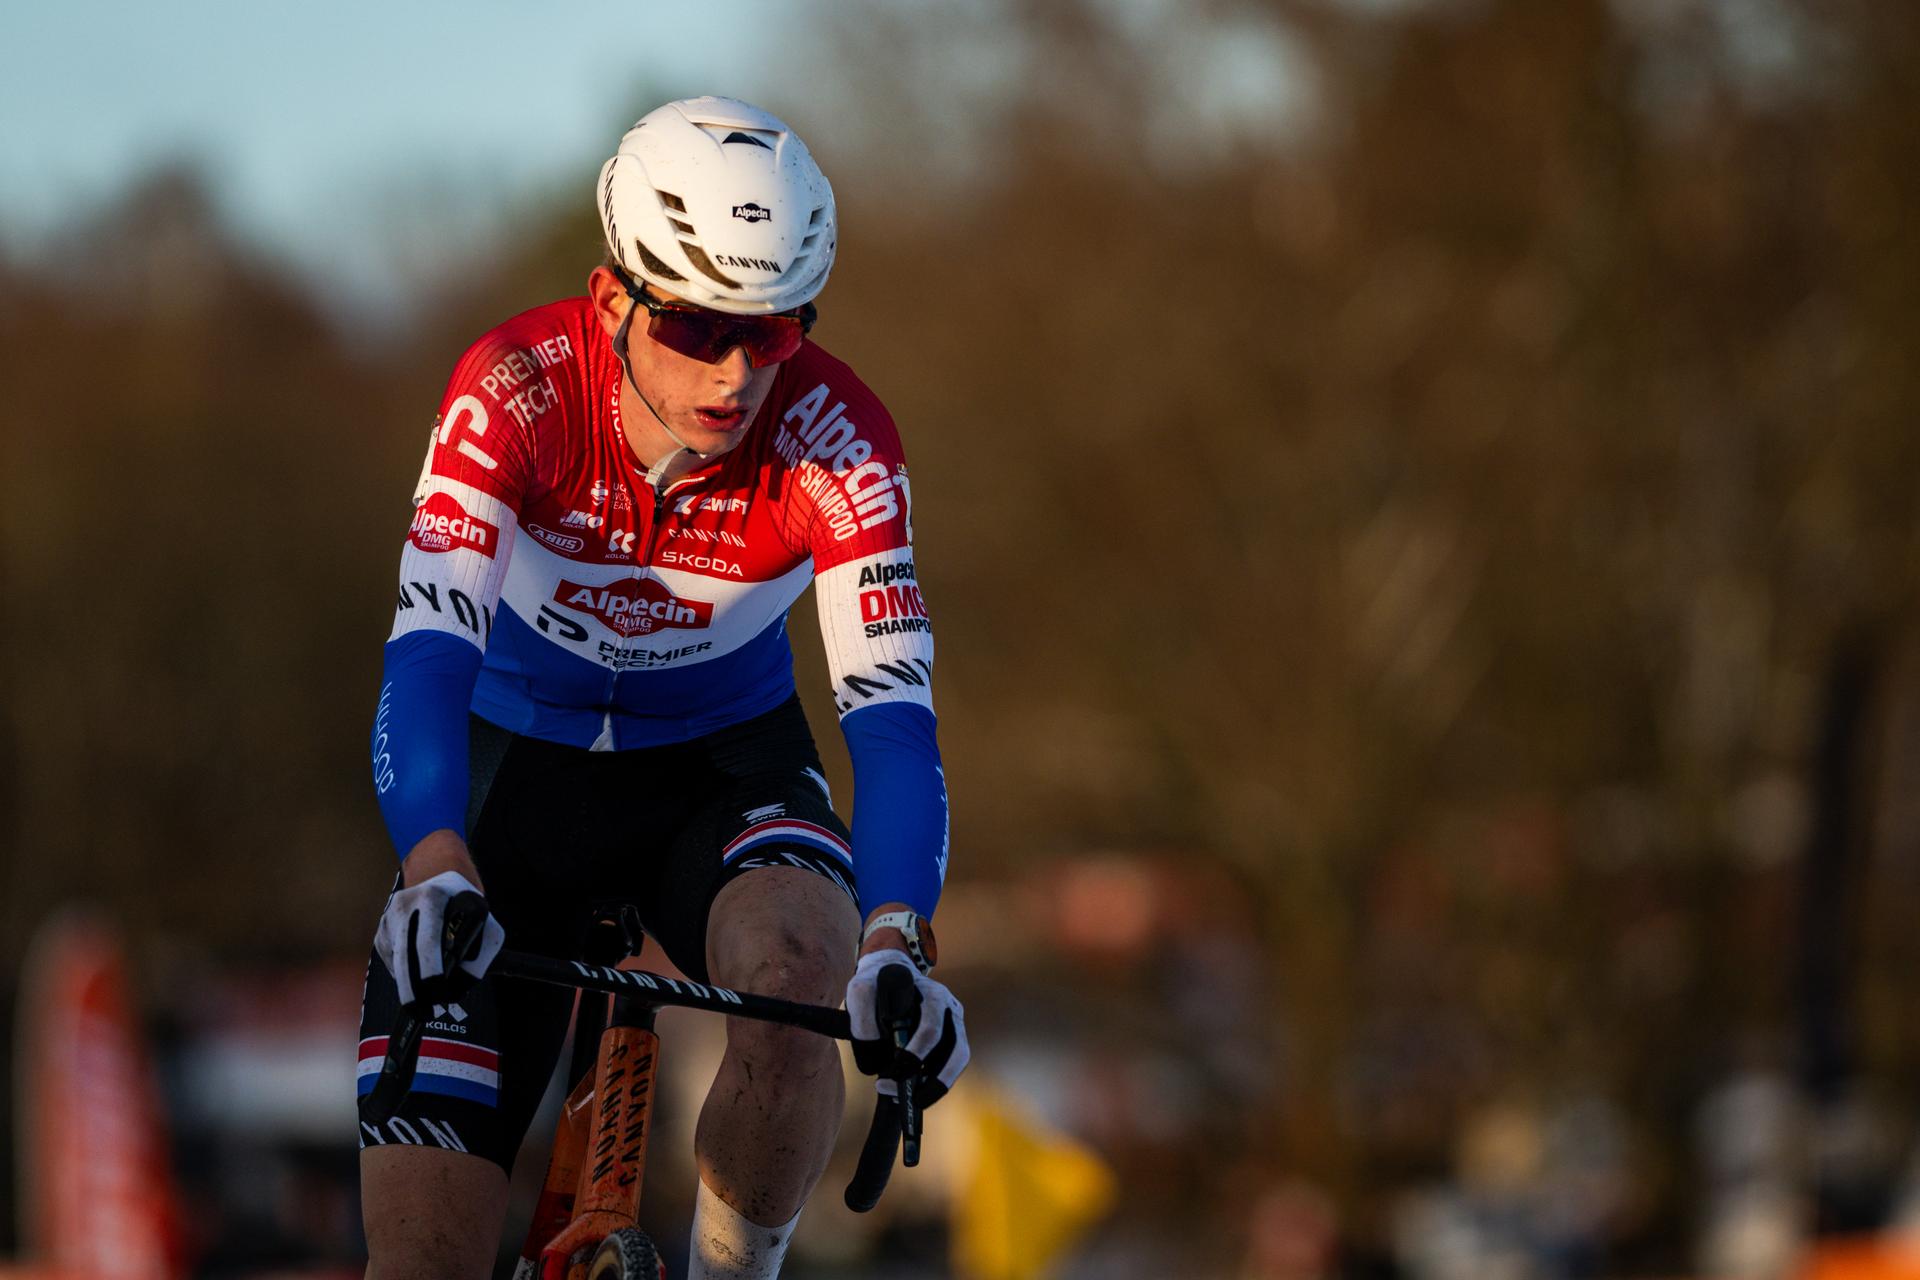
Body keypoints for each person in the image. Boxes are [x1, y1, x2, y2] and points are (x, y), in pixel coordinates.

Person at [357, 96, 968, 1280]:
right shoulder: (514, 389)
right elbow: (428, 650)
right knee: (423, 1254)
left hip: (719, 765)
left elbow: (892, 727)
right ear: (611, 300)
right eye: (695, 326)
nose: (737, 374)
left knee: (809, 974)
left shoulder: (841, 439)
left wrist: (899, 937)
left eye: (775, 332)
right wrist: (433, 858)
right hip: (509, 773)